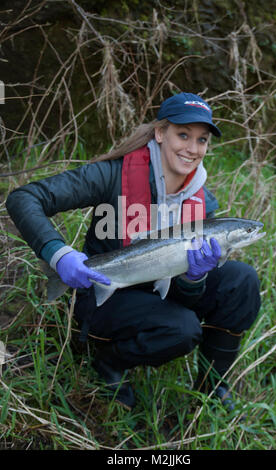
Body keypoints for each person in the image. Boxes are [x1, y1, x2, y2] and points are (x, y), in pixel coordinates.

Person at [6, 92, 261, 411]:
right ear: (160, 133)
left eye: (202, 140)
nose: (192, 149)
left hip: (156, 290)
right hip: (105, 290)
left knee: (242, 280)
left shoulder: (203, 203)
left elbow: (187, 299)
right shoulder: (111, 175)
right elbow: (23, 199)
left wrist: (194, 278)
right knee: (182, 328)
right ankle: (107, 364)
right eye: (183, 135)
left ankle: (212, 385)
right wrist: (58, 254)